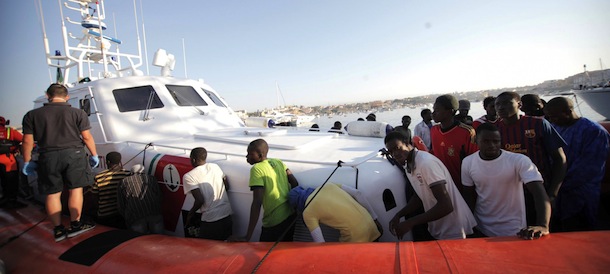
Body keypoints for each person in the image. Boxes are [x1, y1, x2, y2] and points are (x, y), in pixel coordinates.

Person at [22, 83, 99, 242]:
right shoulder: (78, 113)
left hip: (48, 156)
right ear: (67, 96)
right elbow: (86, 137)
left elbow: (27, 141)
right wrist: (94, 154)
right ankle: (76, 225)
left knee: (53, 193)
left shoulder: (32, 115)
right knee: (75, 190)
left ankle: (57, 229)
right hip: (74, 154)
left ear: (47, 95)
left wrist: (27, 161)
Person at [462, 123, 551, 239]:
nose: (492, 145)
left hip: (514, 229)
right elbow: (469, 196)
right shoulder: (468, 162)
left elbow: (539, 192)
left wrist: (543, 225)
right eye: (486, 141)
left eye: (496, 141)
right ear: (475, 140)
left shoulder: (519, 160)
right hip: (481, 229)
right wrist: (469, 225)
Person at [384, 131, 476, 240]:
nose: (394, 154)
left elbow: (446, 206)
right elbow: (419, 196)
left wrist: (410, 222)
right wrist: (399, 215)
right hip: (441, 229)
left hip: (456, 230)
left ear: (408, 143)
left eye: (397, 148)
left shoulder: (426, 163)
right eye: (391, 152)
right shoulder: (408, 165)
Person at [495, 91, 567, 225]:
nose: (501, 107)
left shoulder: (538, 124)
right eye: (497, 104)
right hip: (510, 195)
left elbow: (560, 159)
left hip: (540, 191)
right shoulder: (494, 129)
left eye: (506, 103)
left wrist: (552, 193)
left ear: (519, 104)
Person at [544, 97, 610, 231]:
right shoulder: (555, 128)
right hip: (557, 192)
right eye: (549, 117)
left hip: (581, 193)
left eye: (555, 116)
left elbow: (589, 168)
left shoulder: (594, 131)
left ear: (568, 112)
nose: (552, 120)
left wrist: (558, 184)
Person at [230, 139, 299, 242]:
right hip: (290, 216)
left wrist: (247, 236)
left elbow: (257, 202)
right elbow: (294, 183)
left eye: (250, 154)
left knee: (265, 254)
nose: (247, 156)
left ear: (260, 155)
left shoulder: (257, 169)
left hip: (274, 221)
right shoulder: (278, 162)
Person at [288, 183, 382, 242]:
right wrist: (374, 218)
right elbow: (358, 193)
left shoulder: (307, 213)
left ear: (297, 205)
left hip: (355, 237)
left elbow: (320, 243)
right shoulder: (328, 185)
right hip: (371, 224)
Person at [182, 147, 233, 240]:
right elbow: (227, 186)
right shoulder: (215, 166)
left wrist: (190, 214)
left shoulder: (189, 176)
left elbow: (199, 200)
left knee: (207, 248)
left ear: (193, 159)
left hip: (211, 220)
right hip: (227, 214)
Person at [430, 94, 478, 191]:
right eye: (433, 110)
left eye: (437, 110)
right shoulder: (434, 130)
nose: (433, 113)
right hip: (441, 184)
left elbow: (474, 163)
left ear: (450, 111)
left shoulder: (467, 132)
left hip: (462, 186)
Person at [118, 164, 164, 234]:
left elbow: (121, 203)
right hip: (154, 213)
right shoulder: (151, 178)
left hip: (135, 216)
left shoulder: (124, 181)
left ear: (131, 173)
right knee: (158, 238)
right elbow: (159, 196)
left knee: (140, 240)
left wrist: (126, 216)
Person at [91, 151, 130, 228]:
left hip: (105, 214)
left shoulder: (99, 176)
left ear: (108, 162)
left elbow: (94, 196)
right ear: (120, 161)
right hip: (121, 213)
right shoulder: (127, 174)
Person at [0, 116, 26, 209]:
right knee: (12, 181)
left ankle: (4, 198)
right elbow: (25, 140)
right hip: (8, 160)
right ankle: (11, 201)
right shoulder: (10, 132)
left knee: (3, 181)